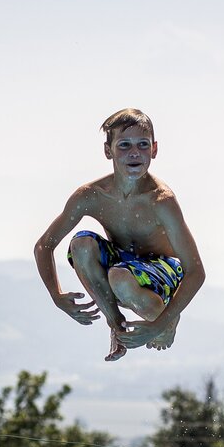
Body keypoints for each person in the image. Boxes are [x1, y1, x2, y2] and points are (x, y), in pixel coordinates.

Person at [34, 108, 206, 361]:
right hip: (122, 266)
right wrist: (56, 295)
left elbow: (196, 271)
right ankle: (116, 325)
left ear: (154, 150)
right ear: (108, 150)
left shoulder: (161, 201)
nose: (134, 153)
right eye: (124, 145)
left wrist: (159, 326)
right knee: (81, 244)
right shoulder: (91, 196)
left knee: (120, 277)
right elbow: (44, 246)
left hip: (162, 271)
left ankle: (165, 318)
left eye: (142, 145)